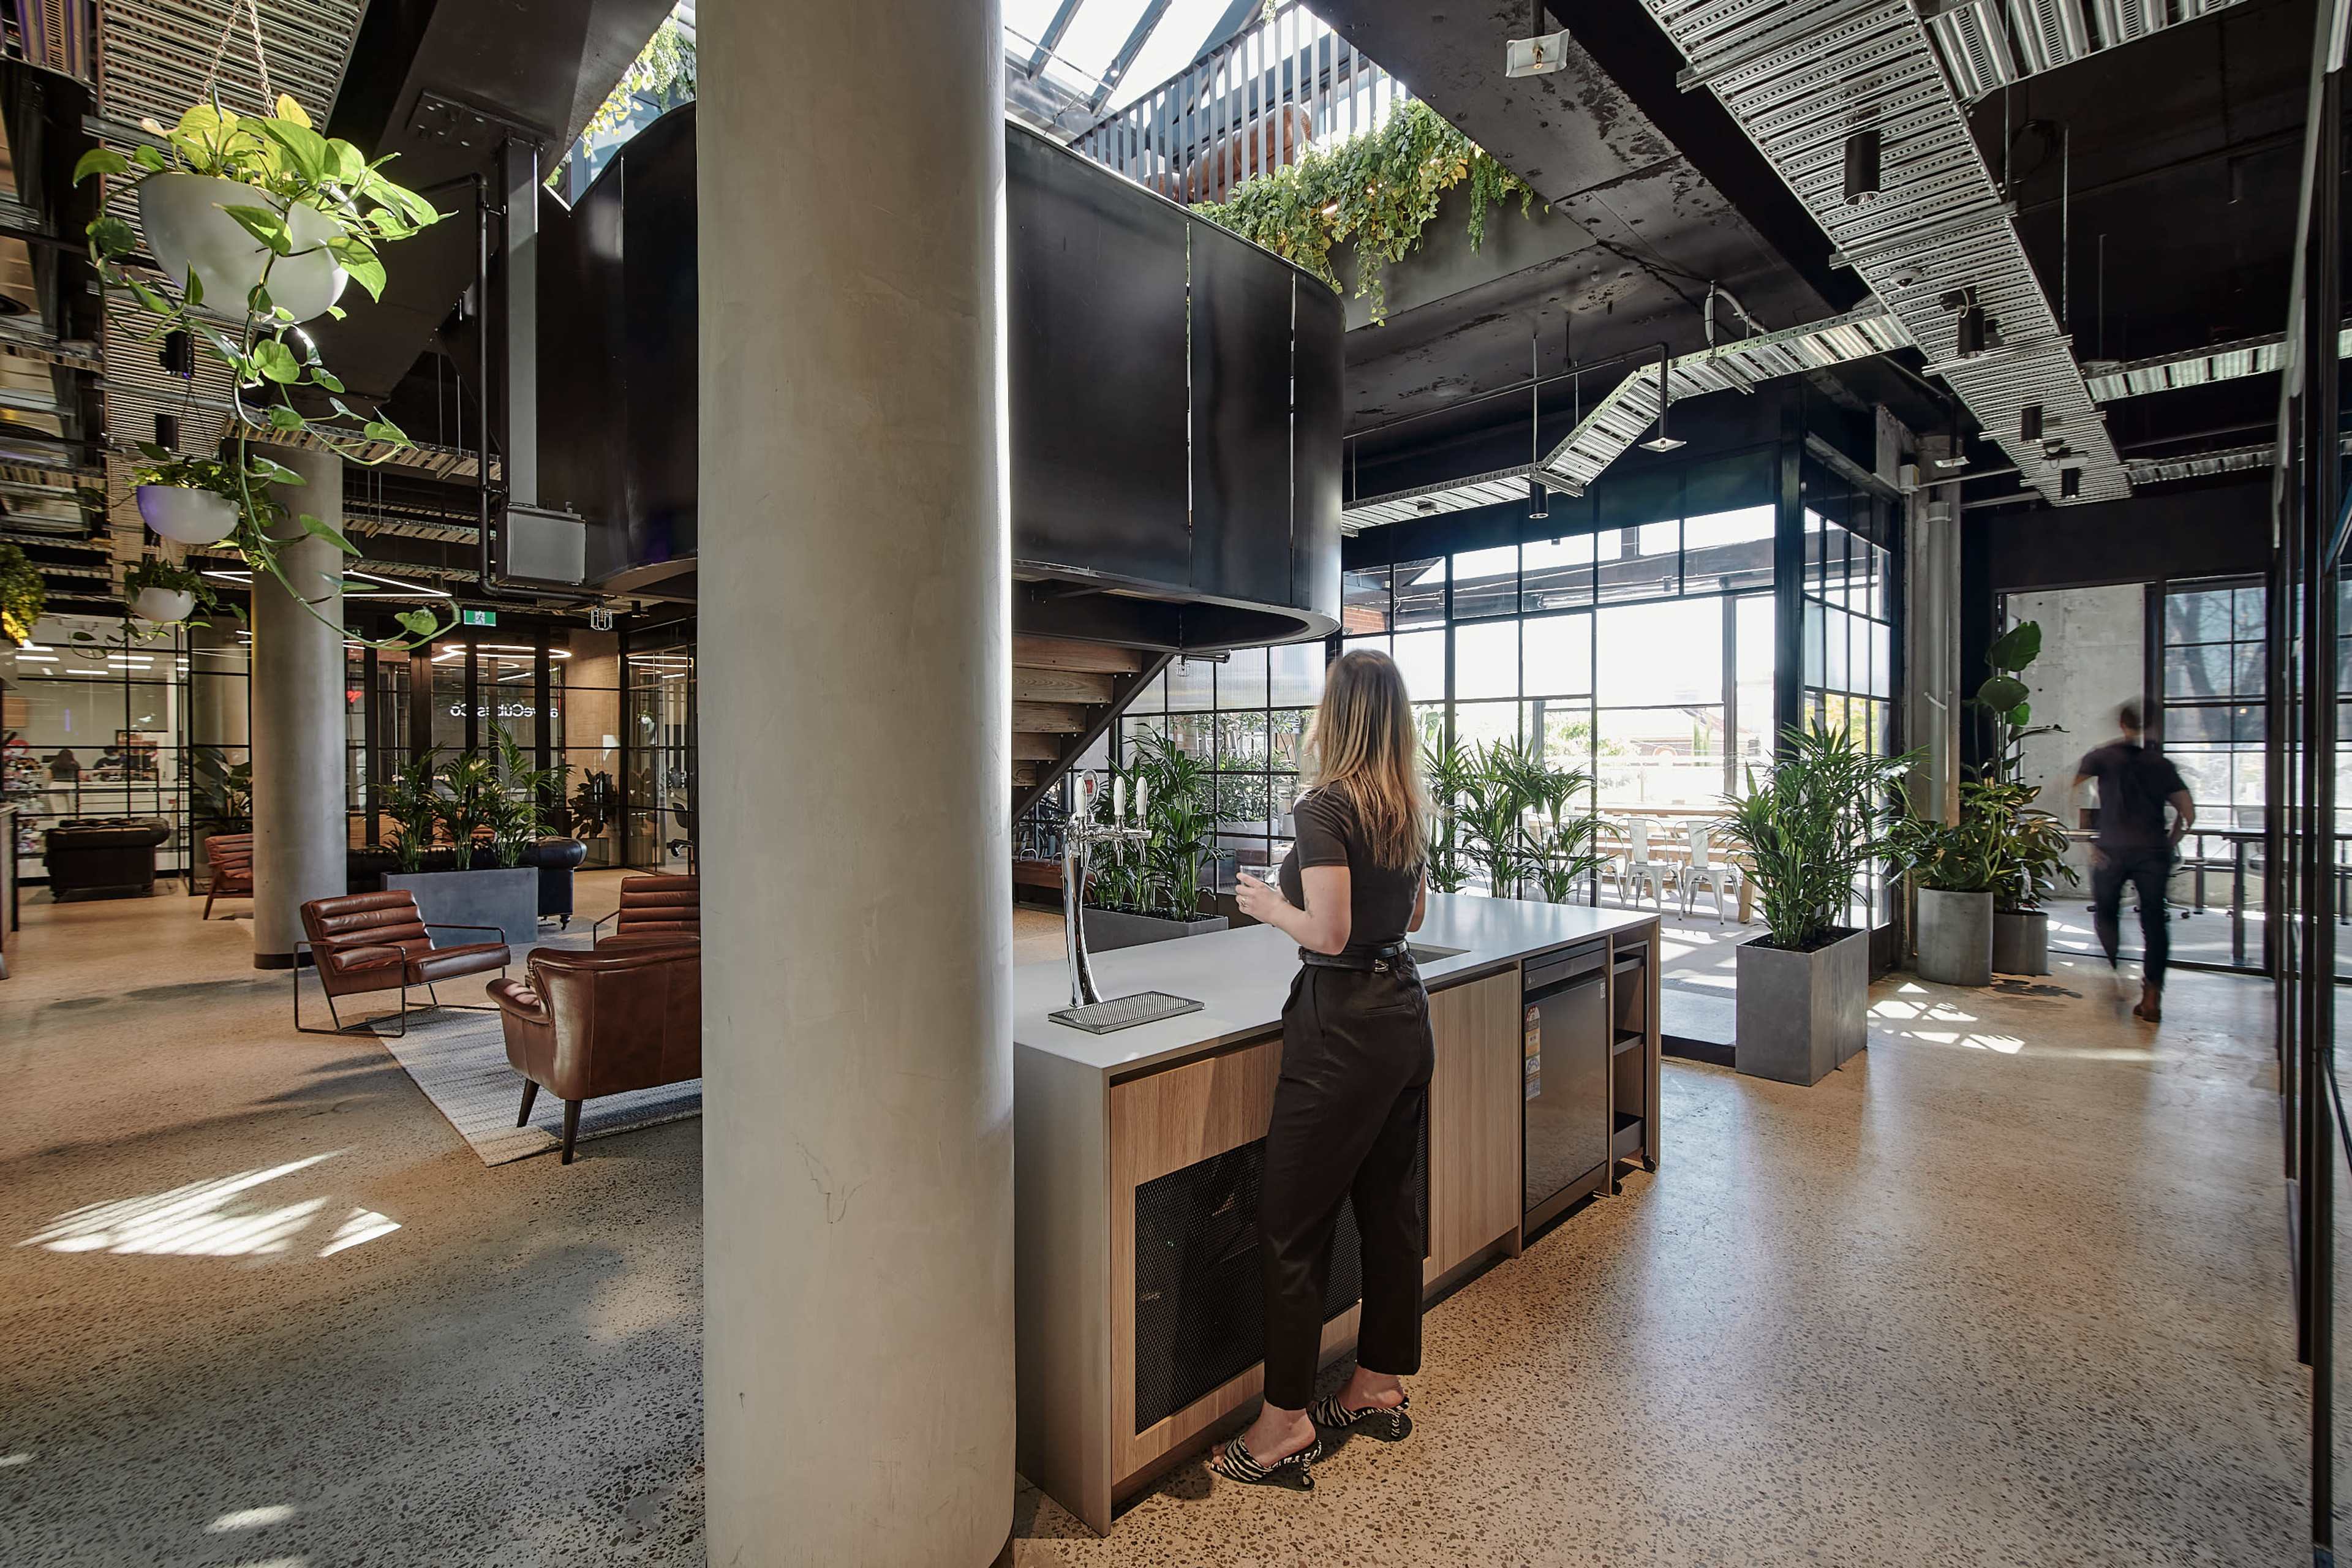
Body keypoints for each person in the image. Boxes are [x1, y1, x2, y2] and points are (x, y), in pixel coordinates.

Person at [1220, 649, 1433, 1491]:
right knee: (1390, 1210)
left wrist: (1272, 905)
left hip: (1342, 1029)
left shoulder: (1324, 804)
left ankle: (1282, 1426)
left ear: (1335, 715)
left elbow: (1333, 933)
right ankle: (1376, 1381)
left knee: (1291, 1223)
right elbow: (1411, 913)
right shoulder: (1407, 806)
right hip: (1404, 1018)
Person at [2073, 701, 2194, 1023]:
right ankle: (2152, 993)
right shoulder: (2162, 765)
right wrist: (2170, 842)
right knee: (2155, 921)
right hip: (2152, 850)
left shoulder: (2102, 757)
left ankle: (2116, 974)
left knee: (2107, 914)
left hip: (2111, 849)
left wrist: (2088, 839)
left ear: (2122, 725)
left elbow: (2074, 792)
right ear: (2151, 728)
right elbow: (2188, 813)